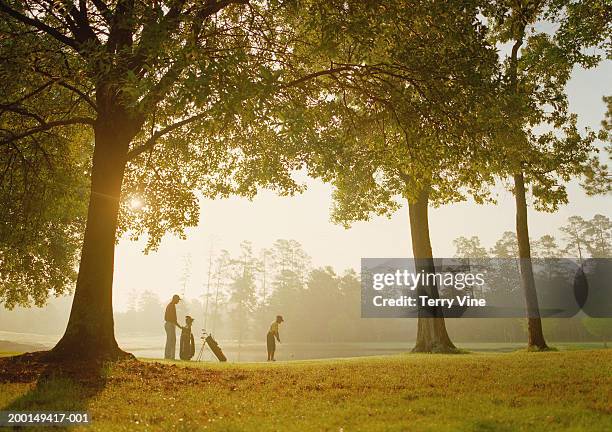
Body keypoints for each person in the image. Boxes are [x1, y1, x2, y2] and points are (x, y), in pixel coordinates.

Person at [164, 294, 182, 359]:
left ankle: (170, 356)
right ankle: (168, 356)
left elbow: (174, 319)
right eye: (178, 300)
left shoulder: (171, 305)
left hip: (170, 324)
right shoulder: (171, 306)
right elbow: (173, 319)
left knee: (171, 340)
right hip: (170, 324)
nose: (178, 301)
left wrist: (178, 326)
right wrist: (180, 327)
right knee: (170, 340)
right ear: (175, 299)